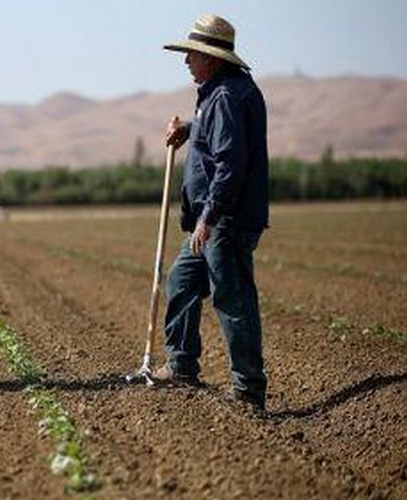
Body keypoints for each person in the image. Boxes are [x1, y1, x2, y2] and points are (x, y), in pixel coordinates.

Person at [153, 14, 269, 412]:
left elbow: (229, 165)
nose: (186, 61)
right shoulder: (220, 93)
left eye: (192, 55)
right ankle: (182, 365)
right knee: (182, 282)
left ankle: (248, 390)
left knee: (232, 300)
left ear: (212, 59)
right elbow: (216, 133)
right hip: (212, 219)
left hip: (224, 220)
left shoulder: (225, 97)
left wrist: (207, 219)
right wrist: (189, 127)